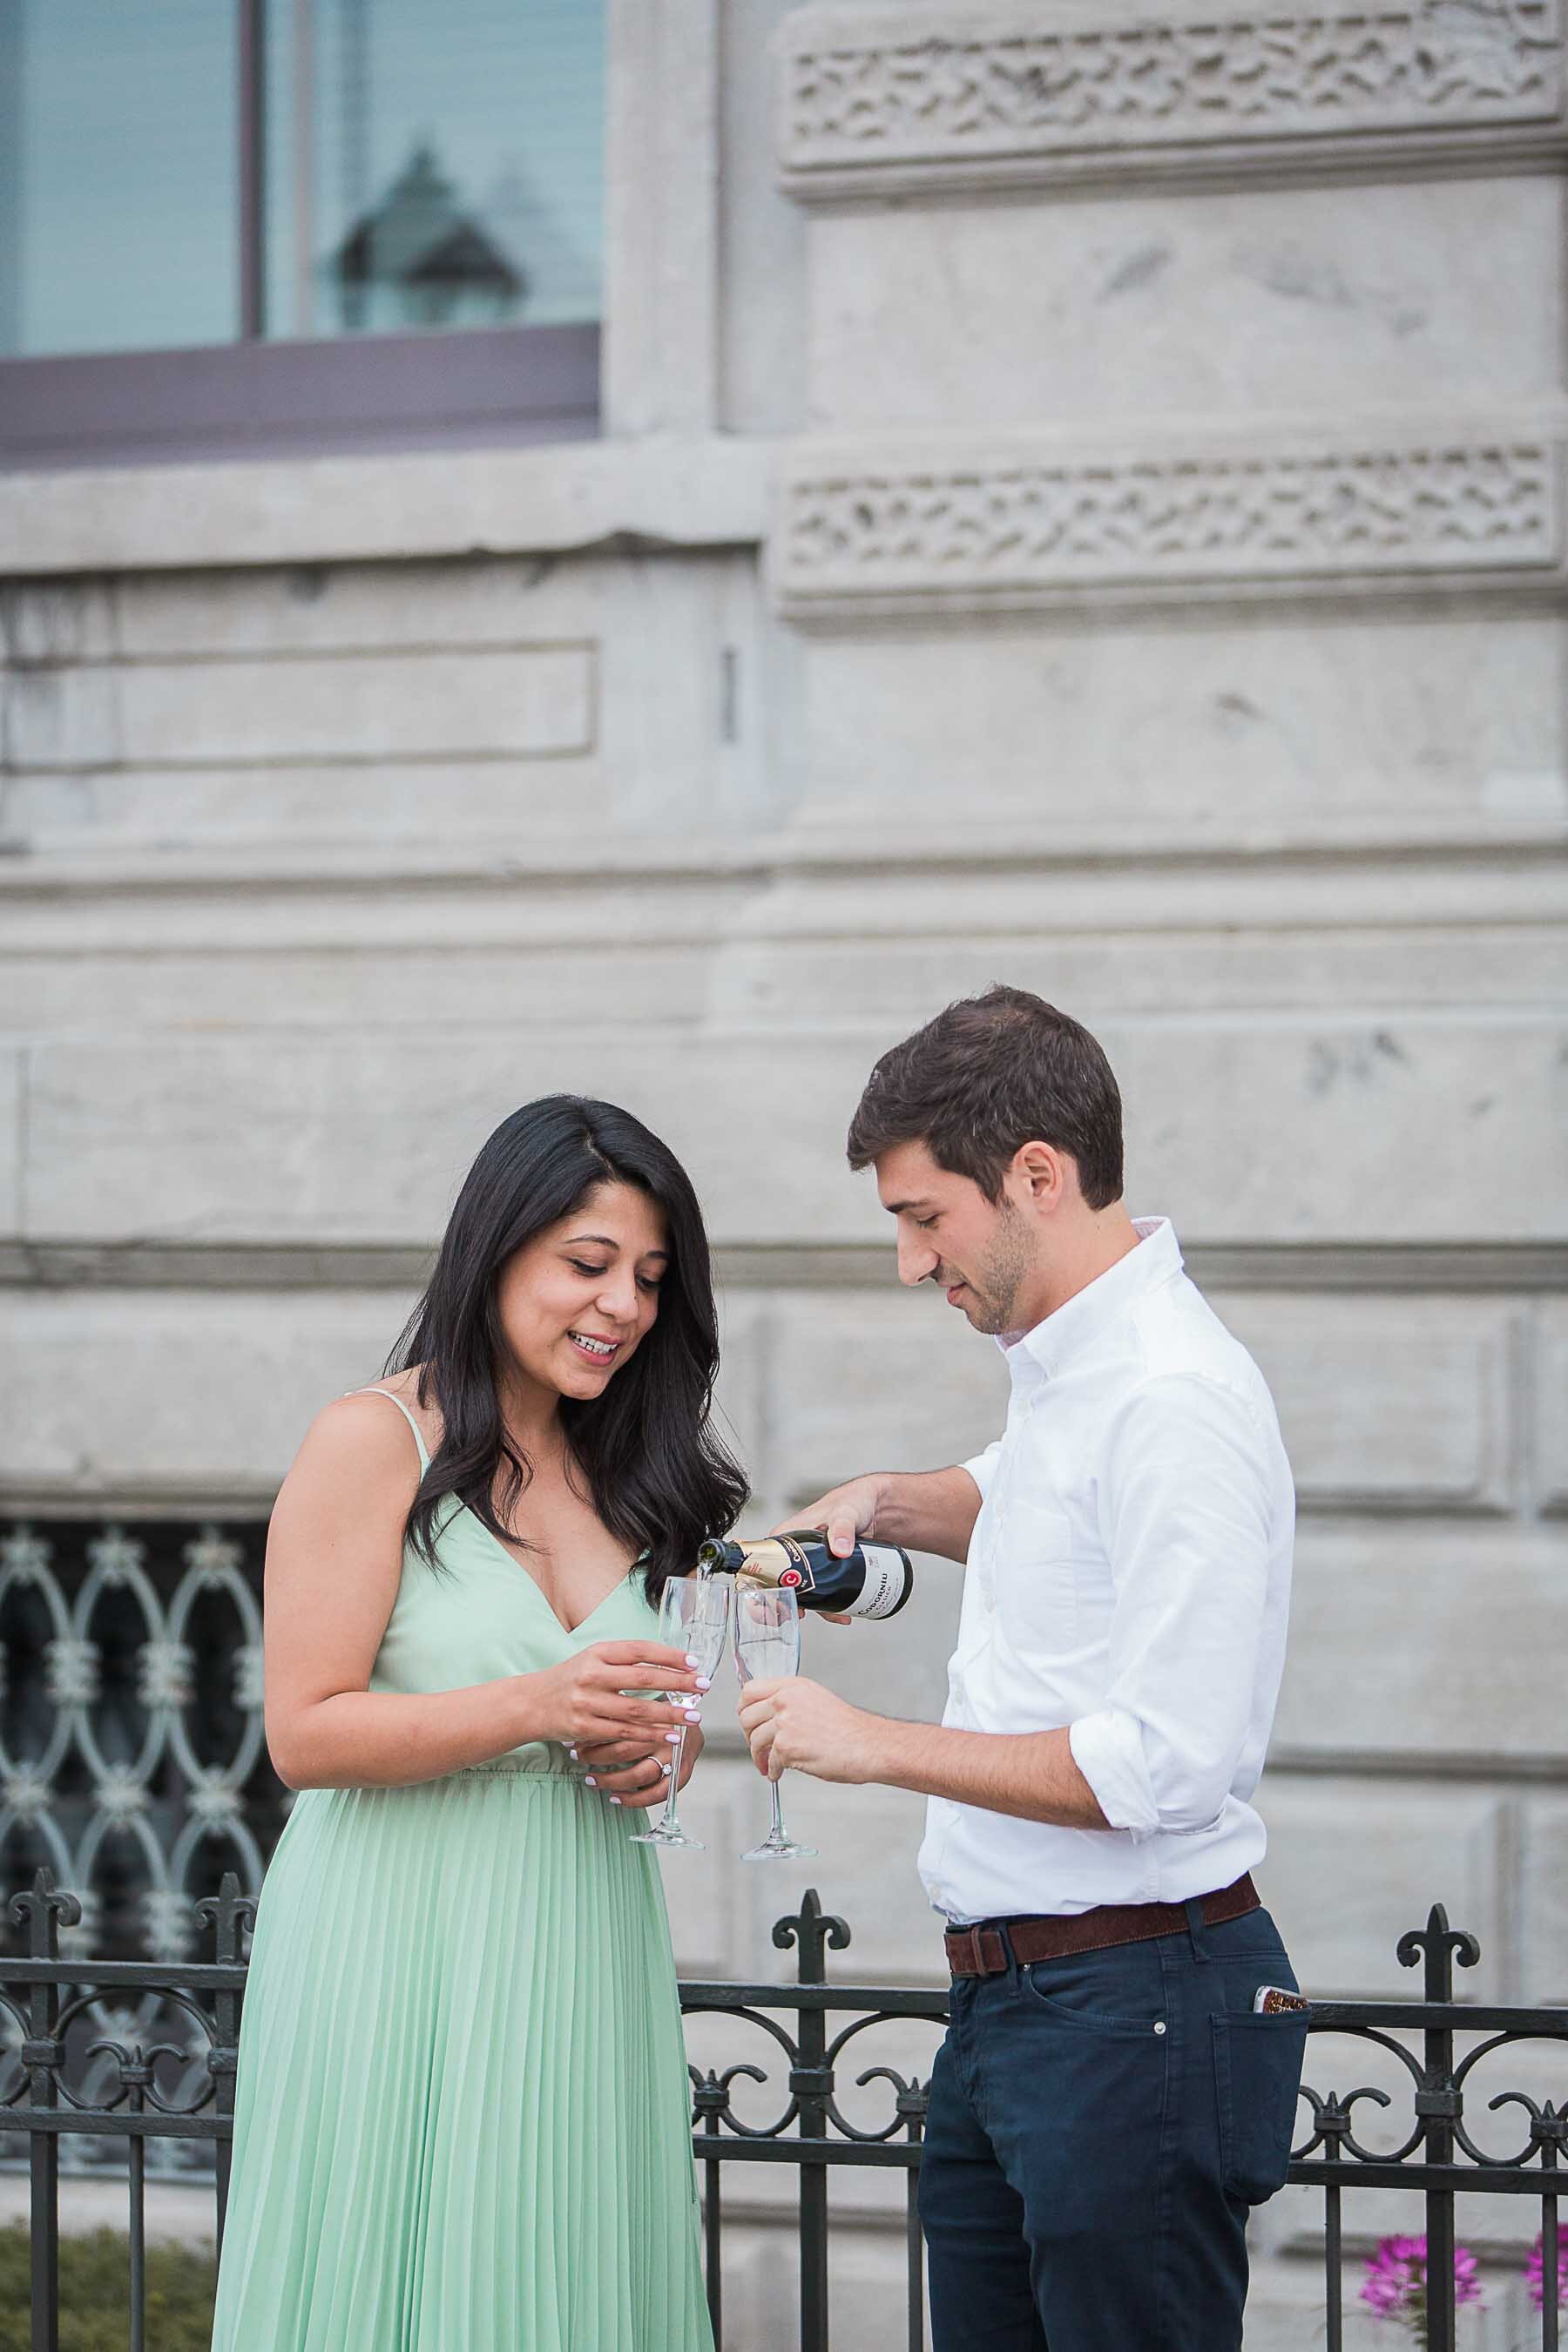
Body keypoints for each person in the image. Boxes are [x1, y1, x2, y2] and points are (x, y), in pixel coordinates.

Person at [736, 987, 1305, 2352]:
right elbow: (1036, 1504)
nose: (910, 1261)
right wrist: (887, 1501)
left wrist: (867, 1741)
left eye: (924, 1218)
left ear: (1036, 1176)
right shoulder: (1075, 1371)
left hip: (1135, 2013)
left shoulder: (1173, 1398)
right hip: (1021, 2012)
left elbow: (1158, 1768)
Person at [210, 1095, 746, 2352]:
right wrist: (539, 1706)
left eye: (652, 1280)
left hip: (583, 1928)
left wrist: (658, 1753)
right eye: (589, 1265)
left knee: (570, 2276)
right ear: (495, 1249)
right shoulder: (372, 1440)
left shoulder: (638, 1475)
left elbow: (641, 1720)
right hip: (397, 1937)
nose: (623, 1307)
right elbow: (305, 1732)